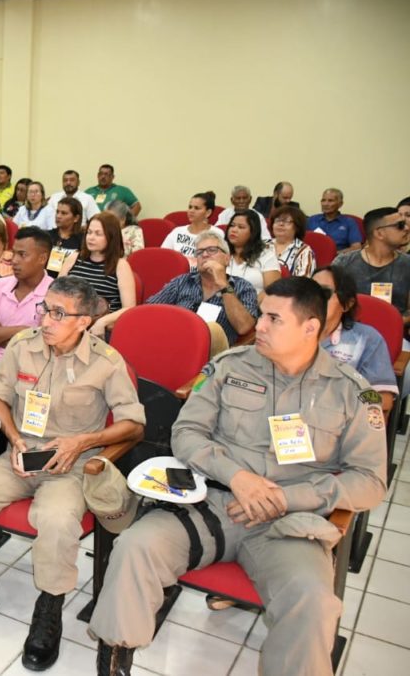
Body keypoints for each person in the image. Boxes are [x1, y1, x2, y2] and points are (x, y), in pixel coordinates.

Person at [90, 277, 387, 676]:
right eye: (261, 314)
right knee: (134, 547)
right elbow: (186, 433)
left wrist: (286, 498)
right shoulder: (228, 366)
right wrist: (239, 477)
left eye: (273, 319)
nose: (258, 325)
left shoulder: (352, 392)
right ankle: (114, 660)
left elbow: (369, 481)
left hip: (288, 524)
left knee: (312, 601)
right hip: (211, 503)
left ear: (310, 327)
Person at [0, 276, 145, 672]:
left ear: (84, 321)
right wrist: (14, 436)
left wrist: (83, 441)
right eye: (45, 309)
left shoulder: (106, 362)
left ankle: (49, 608)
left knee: (55, 520)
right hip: (20, 456)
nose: (45, 320)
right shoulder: (23, 346)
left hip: (70, 466)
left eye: (58, 313)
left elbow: (134, 424)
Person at [147, 232, 259, 353]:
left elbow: (243, 327)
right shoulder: (182, 281)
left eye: (212, 250)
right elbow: (149, 311)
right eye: (199, 252)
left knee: (213, 329)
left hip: (215, 355)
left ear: (227, 259)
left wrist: (223, 285)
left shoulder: (243, 287)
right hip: (174, 344)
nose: (204, 255)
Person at [313, 266, 398, 411]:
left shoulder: (366, 339)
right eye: (309, 292)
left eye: (324, 293)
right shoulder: (288, 331)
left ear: (347, 304)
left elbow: (383, 398)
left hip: (339, 416)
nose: (314, 299)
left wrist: (345, 401)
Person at [0, 226, 53, 377]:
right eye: (14, 253)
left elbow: (46, 346)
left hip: (33, 370)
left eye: (22, 255)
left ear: (42, 258)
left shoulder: (55, 294)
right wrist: (23, 331)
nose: (14, 260)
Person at [58, 212, 136, 338]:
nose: (91, 237)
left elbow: (129, 308)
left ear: (111, 237)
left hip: (100, 327)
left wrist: (102, 322)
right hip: (69, 323)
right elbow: (56, 292)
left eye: (98, 234)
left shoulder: (120, 266)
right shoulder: (73, 258)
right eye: (89, 232)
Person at [332, 207, 410, 321]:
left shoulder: (407, 264)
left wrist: (392, 325)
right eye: (400, 225)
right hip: (352, 327)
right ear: (379, 233)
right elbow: (330, 303)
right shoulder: (344, 262)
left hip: (395, 326)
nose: (407, 228)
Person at [161, 191, 225, 265]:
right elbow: (163, 255)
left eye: (197, 208)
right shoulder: (177, 231)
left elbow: (220, 261)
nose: (191, 211)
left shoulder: (217, 234)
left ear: (208, 213)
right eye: (190, 207)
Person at [225, 210, 281, 295]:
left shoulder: (266, 255)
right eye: (232, 225)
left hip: (256, 302)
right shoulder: (220, 252)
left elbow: (271, 291)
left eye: (241, 227)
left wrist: (250, 303)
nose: (234, 230)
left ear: (253, 232)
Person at [308, 188, 363, 253]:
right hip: (314, 256)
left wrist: (333, 254)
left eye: (330, 201)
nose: (325, 204)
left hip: (339, 256)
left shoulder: (349, 222)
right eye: (323, 200)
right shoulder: (311, 220)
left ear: (340, 204)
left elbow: (356, 248)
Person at [269, 205, 316, 278]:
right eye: (277, 220)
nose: (281, 224)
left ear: (297, 227)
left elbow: (302, 281)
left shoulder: (304, 251)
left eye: (287, 221)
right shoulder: (262, 245)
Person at [47, 197, 85, 276]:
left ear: (76, 218)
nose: (58, 216)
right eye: (57, 212)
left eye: (64, 213)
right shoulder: (47, 236)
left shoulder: (83, 240)